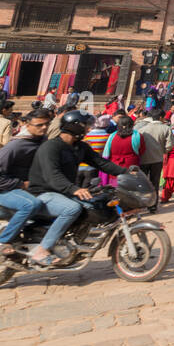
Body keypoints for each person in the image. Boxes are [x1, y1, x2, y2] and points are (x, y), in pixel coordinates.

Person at [26, 110, 125, 265]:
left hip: (62, 192)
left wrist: (126, 172)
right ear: (75, 127)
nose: (89, 129)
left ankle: (71, 241)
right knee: (71, 209)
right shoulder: (51, 147)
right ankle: (42, 250)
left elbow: (100, 163)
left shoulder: (80, 147)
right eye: (86, 126)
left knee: (93, 205)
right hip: (43, 192)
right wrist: (74, 189)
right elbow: (53, 176)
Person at [0, 108, 53, 260]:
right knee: (30, 205)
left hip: (28, 187)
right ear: (27, 124)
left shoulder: (42, 141)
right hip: (2, 191)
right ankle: (2, 241)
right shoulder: (16, 146)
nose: (44, 127)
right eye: (39, 125)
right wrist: (21, 184)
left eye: (47, 124)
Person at [135, 109, 173, 212]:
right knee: (154, 183)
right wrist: (162, 151)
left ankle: (141, 204)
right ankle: (152, 206)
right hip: (157, 159)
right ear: (161, 117)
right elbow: (169, 146)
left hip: (143, 159)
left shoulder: (142, 130)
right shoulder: (166, 128)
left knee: (142, 182)